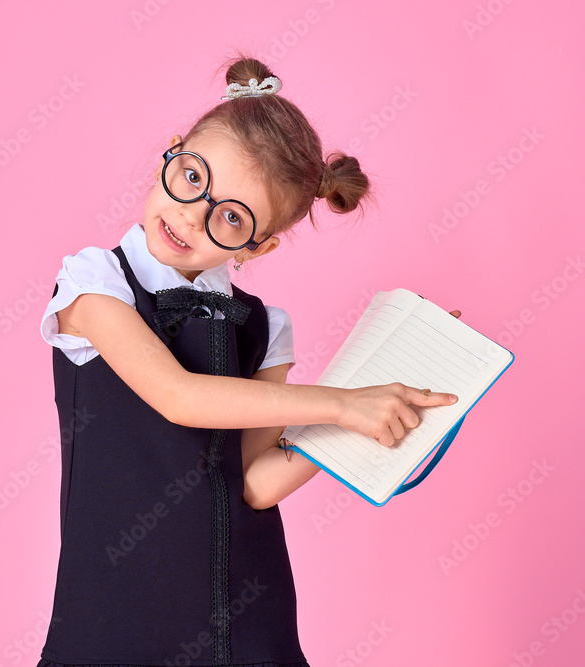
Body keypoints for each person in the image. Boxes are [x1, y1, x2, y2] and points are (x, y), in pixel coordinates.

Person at [35, 55, 460, 667]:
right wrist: (341, 402)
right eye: (192, 178)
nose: (192, 214)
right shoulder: (95, 284)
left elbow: (254, 483)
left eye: (230, 217)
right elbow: (179, 395)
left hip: (244, 623)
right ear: (173, 152)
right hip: (112, 618)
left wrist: (387, 391)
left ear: (258, 244)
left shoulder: (263, 329)